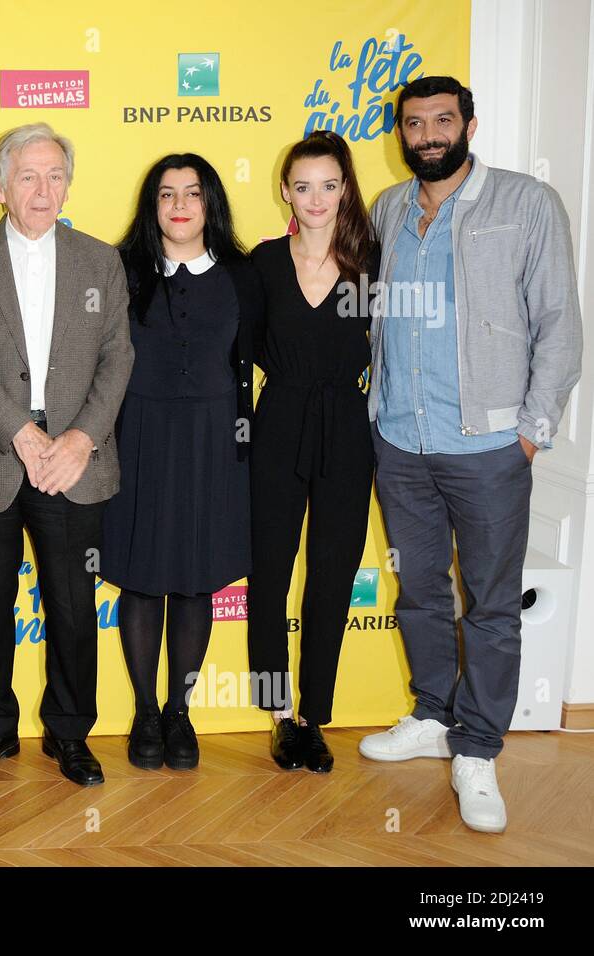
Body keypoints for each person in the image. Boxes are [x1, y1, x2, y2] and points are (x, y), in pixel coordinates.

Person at [358, 77, 582, 833]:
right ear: (401, 133)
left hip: (488, 445)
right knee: (420, 592)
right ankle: (432, 716)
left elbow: (560, 325)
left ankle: (478, 747)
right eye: (414, 124)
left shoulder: (525, 204)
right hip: (401, 440)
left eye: (442, 121)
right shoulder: (390, 208)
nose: (428, 135)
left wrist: (530, 430)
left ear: (470, 125)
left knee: (490, 605)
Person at [0, 123, 134, 787]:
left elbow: (117, 356)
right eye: (28, 175)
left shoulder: (101, 262)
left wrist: (79, 439)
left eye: (54, 175)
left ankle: (69, 733)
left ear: (68, 184)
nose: (43, 189)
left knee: (73, 608)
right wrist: (20, 431)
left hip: (75, 459)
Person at [103, 154, 262, 771]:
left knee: (196, 579)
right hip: (137, 437)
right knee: (143, 577)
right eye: (167, 194)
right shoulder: (122, 272)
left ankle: (179, 711)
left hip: (215, 442)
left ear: (210, 203)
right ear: (152, 204)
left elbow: (257, 360)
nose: (179, 205)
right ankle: (145, 711)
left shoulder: (245, 276)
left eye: (192, 193)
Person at [247, 130, 379, 774]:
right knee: (269, 571)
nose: (317, 198)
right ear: (285, 193)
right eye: (303, 186)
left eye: (330, 184)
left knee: (332, 574)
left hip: (348, 427)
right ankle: (278, 716)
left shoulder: (375, 263)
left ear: (346, 189)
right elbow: (235, 356)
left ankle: (314, 717)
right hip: (276, 424)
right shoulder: (264, 264)